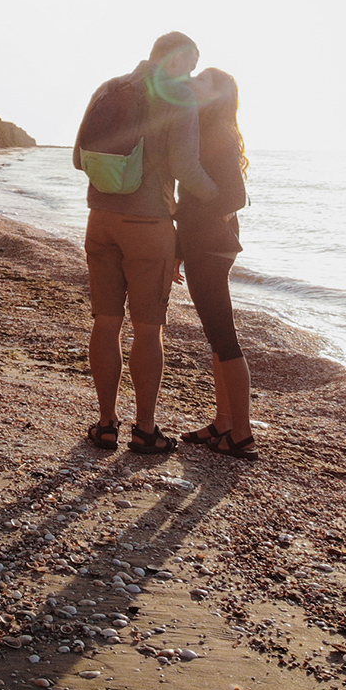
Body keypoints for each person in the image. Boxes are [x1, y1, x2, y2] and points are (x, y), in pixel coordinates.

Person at [75, 31, 218, 453]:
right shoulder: (177, 96)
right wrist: (221, 199)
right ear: (176, 59)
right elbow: (186, 166)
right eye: (189, 65)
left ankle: (105, 425)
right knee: (148, 327)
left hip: (99, 219)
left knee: (105, 321)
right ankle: (146, 429)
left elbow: (78, 157)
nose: (190, 75)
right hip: (148, 223)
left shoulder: (108, 87)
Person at [175, 68, 257, 460]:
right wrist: (180, 246)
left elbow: (235, 197)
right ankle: (224, 422)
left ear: (216, 95)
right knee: (216, 337)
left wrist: (199, 219)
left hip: (211, 247)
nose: (193, 82)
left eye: (202, 81)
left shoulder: (217, 133)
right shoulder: (204, 128)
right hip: (202, 246)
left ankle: (241, 434)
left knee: (225, 338)